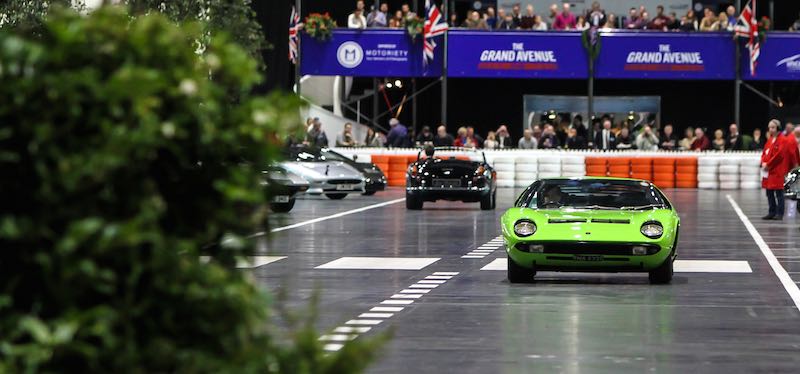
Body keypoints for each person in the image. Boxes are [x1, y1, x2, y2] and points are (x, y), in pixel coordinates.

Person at [762, 119, 792, 220]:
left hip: (778, 170)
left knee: (779, 193)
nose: (770, 129)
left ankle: (779, 213)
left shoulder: (783, 140)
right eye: (769, 127)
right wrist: (762, 162)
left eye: (773, 127)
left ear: (778, 128)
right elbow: (764, 152)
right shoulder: (769, 140)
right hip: (768, 170)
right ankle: (771, 212)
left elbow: (779, 155)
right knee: (769, 192)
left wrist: (768, 164)